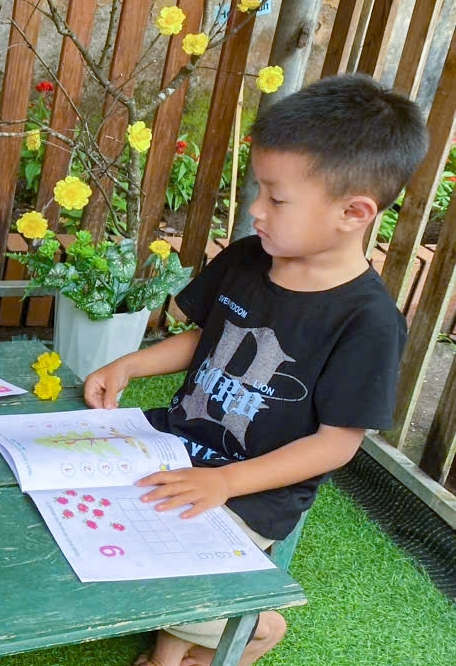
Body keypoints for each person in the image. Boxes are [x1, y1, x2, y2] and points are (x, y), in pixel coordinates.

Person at [83, 73, 429, 666]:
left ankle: (256, 628)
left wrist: (224, 483)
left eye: (276, 198)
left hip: (251, 494)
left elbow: (335, 445)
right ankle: (180, 645)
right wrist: (130, 365)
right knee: (81, 518)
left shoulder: (368, 321)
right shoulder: (249, 257)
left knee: (155, 575)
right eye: (258, 190)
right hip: (171, 446)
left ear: (353, 212)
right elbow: (204, 338)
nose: (255, 210)